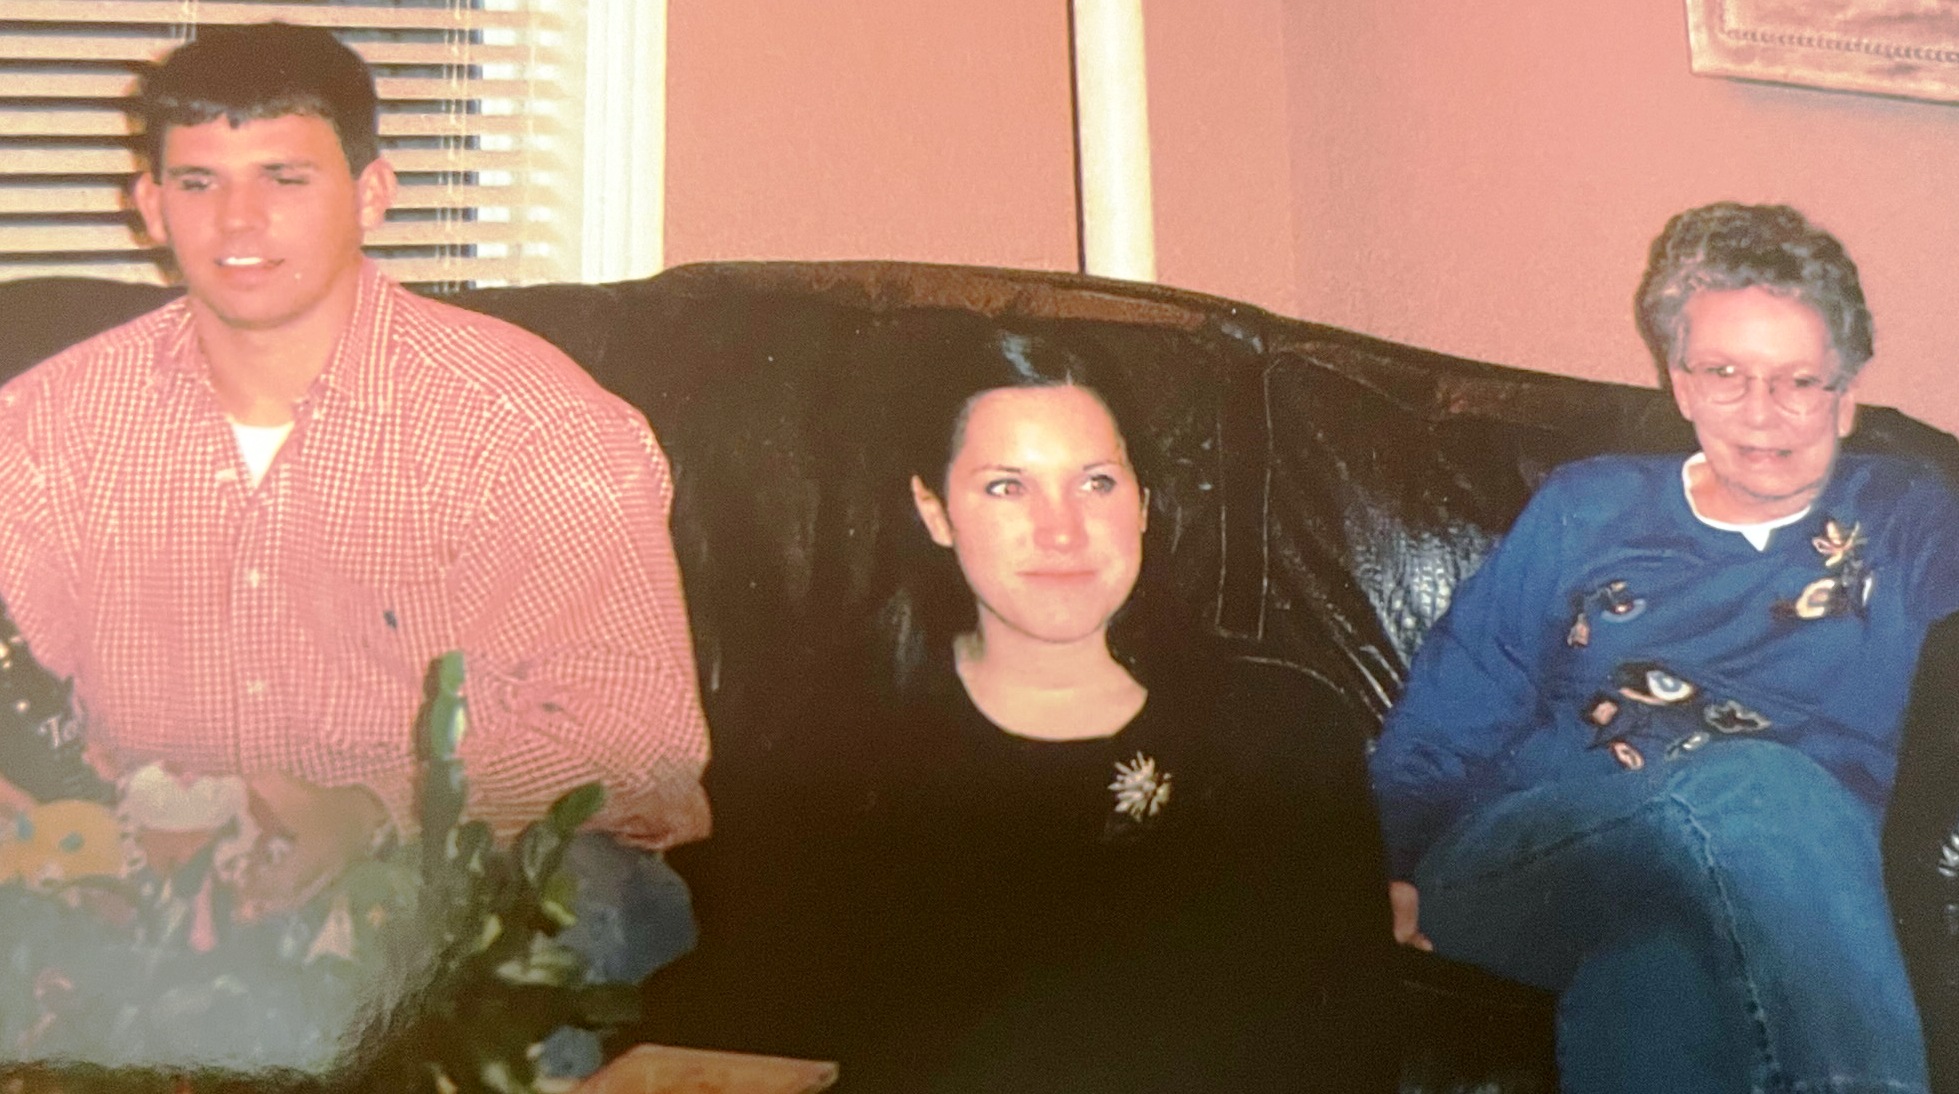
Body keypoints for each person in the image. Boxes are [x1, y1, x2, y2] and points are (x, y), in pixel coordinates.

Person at [0, 22, 708, 1078]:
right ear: (150, 206)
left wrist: (374, 803)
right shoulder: (46, 426)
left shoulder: (529, 422)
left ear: (371, 194)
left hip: (478, 861)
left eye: (284, 178)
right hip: (168, 867)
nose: (238, 220)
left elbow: (635, 737)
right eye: (198, 182)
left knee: (515, 935)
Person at [1369, 202, 1959, 1094]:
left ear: (1846, 396)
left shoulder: (1907, 517)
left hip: (1783, 901)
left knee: (1658, 978)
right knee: (1761, 784)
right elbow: (1452, 713)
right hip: (1533, 862)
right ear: (1678, 384)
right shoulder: (1586, 508)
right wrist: (1383, 869)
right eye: (1723, 373)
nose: (1760, 413)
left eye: (1799, 381)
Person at [819, 313, 1396, 1092]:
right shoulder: (839, 747)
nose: (1061, 531)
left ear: (1144, 503)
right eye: (1006, 487)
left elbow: (1346, 1050)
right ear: (934, 511)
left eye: (1096, 482)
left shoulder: (1283, 731)